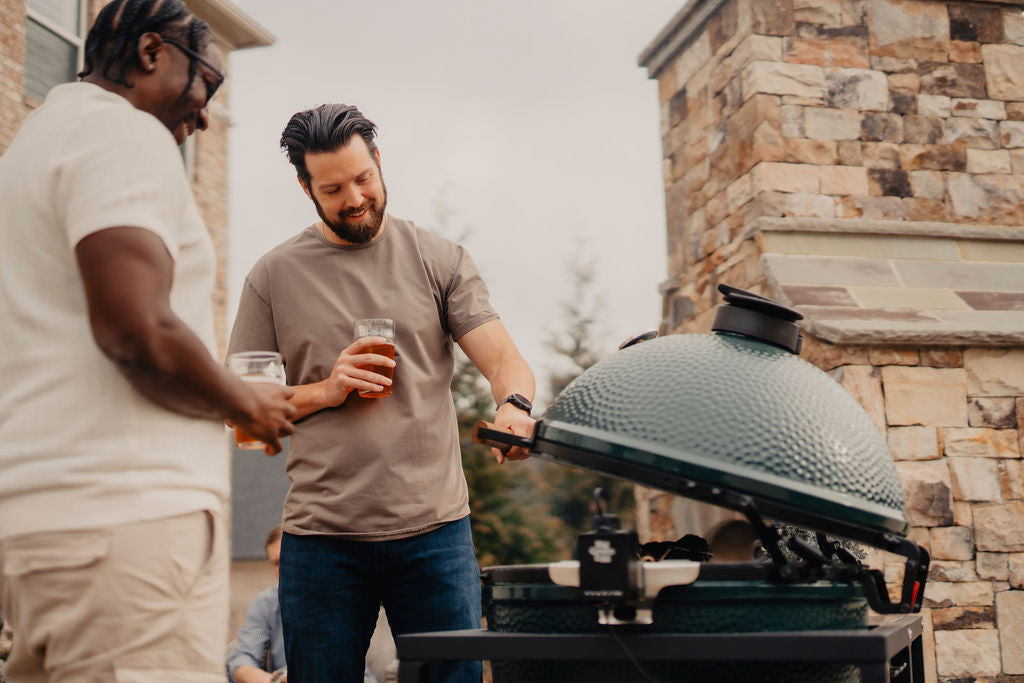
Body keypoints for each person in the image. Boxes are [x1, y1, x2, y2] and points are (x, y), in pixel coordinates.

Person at [0, 1, 296, 681]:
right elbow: (137, 329)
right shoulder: (125, 134)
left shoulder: (30, 148)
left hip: (35, 532)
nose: (202, 116)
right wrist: (244, 402)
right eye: (206, 86)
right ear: (150, 52)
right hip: (126, 535)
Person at [228, 103, 536, 683]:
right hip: (320, 540)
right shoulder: (272, 276)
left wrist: (514, 405)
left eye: (363, 178)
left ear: (378, 161)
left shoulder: (438, 257)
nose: (355, 198)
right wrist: (327, 389)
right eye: (333, 188)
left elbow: (502, 358)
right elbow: (242, 410)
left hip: (436, 532)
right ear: (305, 187)